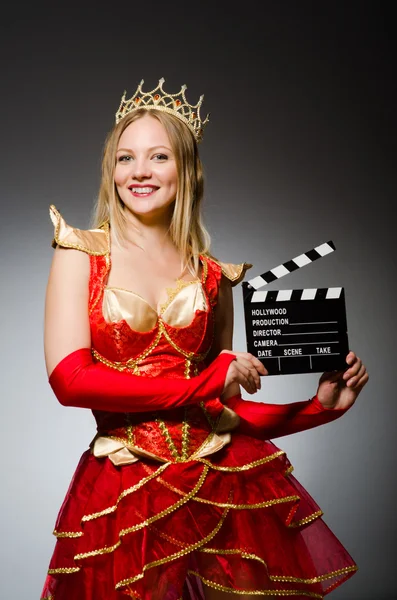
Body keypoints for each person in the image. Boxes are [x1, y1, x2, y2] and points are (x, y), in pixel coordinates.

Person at [40, 78, 369, 600]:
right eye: (125, 158)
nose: (139, 172)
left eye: (158, 157)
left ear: (186, 170)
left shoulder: (212, 276)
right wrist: (201, 385)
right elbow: (71, 380)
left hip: (221, 485)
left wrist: (318, 408)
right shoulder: (80, 253)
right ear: (112, 169)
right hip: (126, 489)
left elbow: (225, 411)